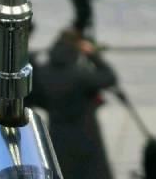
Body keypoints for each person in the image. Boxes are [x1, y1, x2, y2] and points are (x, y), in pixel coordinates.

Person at [30, 28, 118, 179]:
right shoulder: (80, 75)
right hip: (85, 134)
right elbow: (109, 77)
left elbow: (34, 98)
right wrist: (93, 55)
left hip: (57, 134)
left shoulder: (42, 73)